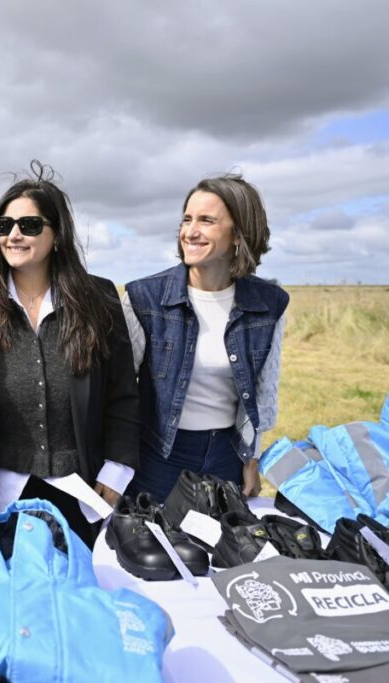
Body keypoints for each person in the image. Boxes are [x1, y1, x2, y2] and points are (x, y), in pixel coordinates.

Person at [0, 165, 138, 544]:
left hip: (82, 491)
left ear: (58, 234)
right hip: (2, 493)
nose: (13, 235)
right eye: (3, 225)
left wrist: (116, 471)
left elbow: (123, 394)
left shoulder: (99, 299)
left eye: (29, 225)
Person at [124, 173, 288, 501]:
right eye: (187, 220)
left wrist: (251, 457)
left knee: (222, 535)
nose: (190, 231)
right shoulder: (145, 298)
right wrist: (117, 464)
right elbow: (120, 392)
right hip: (158, 455)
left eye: (206, 220)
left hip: (227, 454)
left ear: (239, 234)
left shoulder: (269, 303)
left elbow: (263, 391)